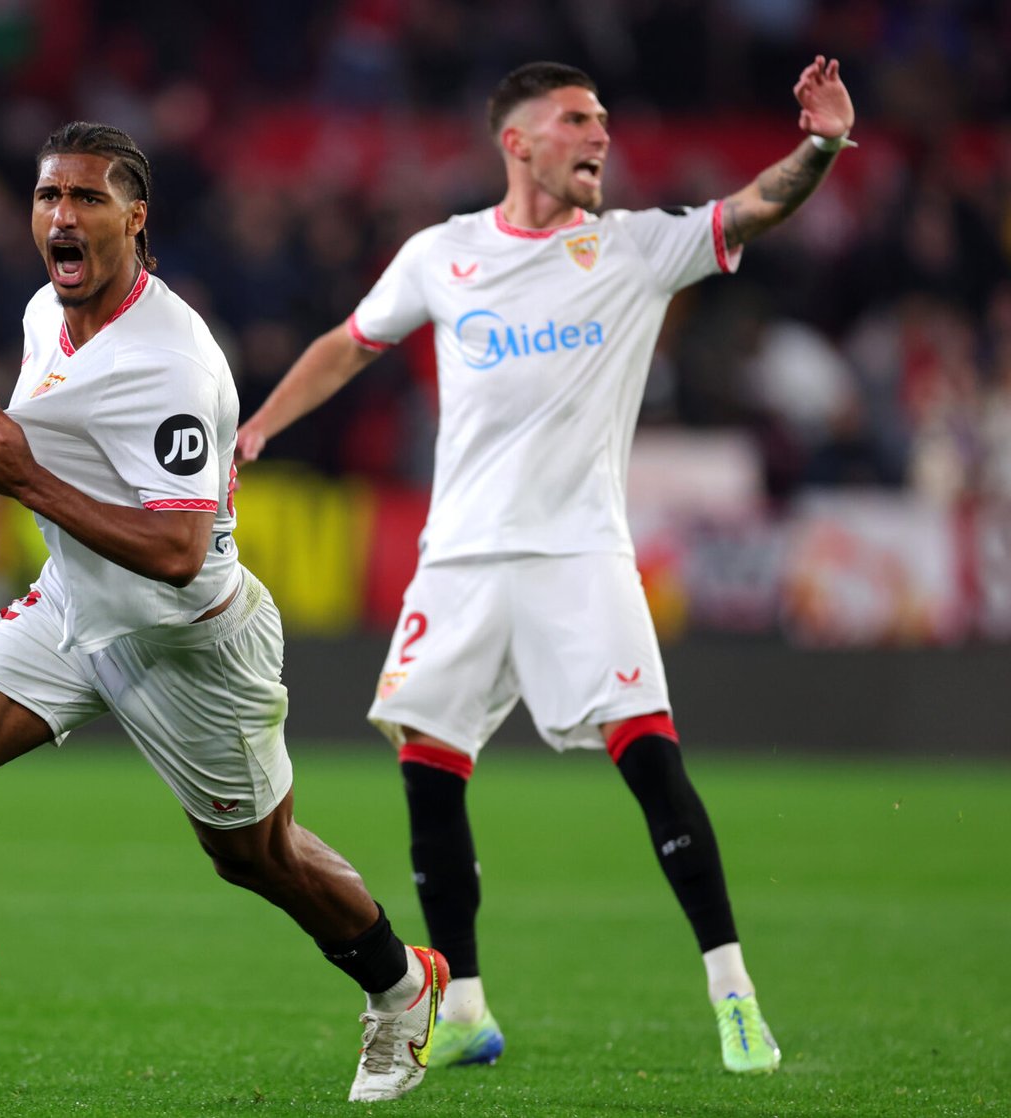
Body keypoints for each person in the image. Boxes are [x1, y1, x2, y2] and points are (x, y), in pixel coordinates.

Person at [236, 57, 858, 1076]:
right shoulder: (444, 254)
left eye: (604, 118)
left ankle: (733, 991)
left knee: (650, 759)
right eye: (577, 118)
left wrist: (821, 144)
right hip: (460, 558)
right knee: (427, 769)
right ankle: (467, 1004)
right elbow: (350, 343)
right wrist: (260, 425)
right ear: (517, 140)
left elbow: (751, 208)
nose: (599, 134)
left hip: (580, 552)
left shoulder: (632, 249)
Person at [0, 121, 448, 1103]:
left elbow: (178, 549)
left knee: (255, 855)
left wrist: (25, 480)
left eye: (86, 199)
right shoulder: (42, 312)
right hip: (72, 602)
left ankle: (400, 985)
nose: (60, 216)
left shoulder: (174, 363)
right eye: (46, 197)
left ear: (136, 219)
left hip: (189, 639)